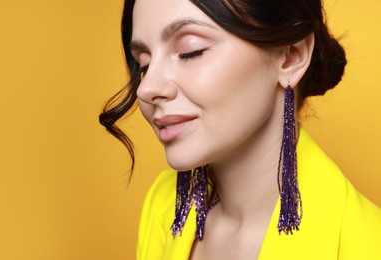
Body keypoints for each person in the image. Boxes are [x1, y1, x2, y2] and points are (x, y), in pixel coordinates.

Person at [100, 0, 381, 259]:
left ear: (291, 57)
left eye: (190, 51)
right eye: (144, 64)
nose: (147, 88)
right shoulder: (162, 207)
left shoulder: (367, 245)